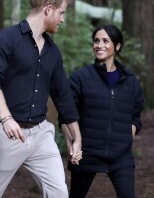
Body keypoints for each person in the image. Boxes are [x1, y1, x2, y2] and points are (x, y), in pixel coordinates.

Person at [0, 0, 82, 198]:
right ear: (48, 9)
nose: (62, 19)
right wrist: (7, 119)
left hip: (41, 135)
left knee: (59, 193)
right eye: (61, 13)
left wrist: (77, 136)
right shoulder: (6, 38)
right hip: (6, 134)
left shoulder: (53, 52)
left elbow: (63, 96)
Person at [60, 25, 144, 198]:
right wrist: (72, 146)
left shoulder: (130, 82)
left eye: (106, 41)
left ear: (117, 46)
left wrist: (127, 136)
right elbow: (66, 115)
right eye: (96, 41)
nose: (100, 45)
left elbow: (135, 116)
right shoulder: (80, 77)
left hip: (121, 157)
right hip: (87, 153)